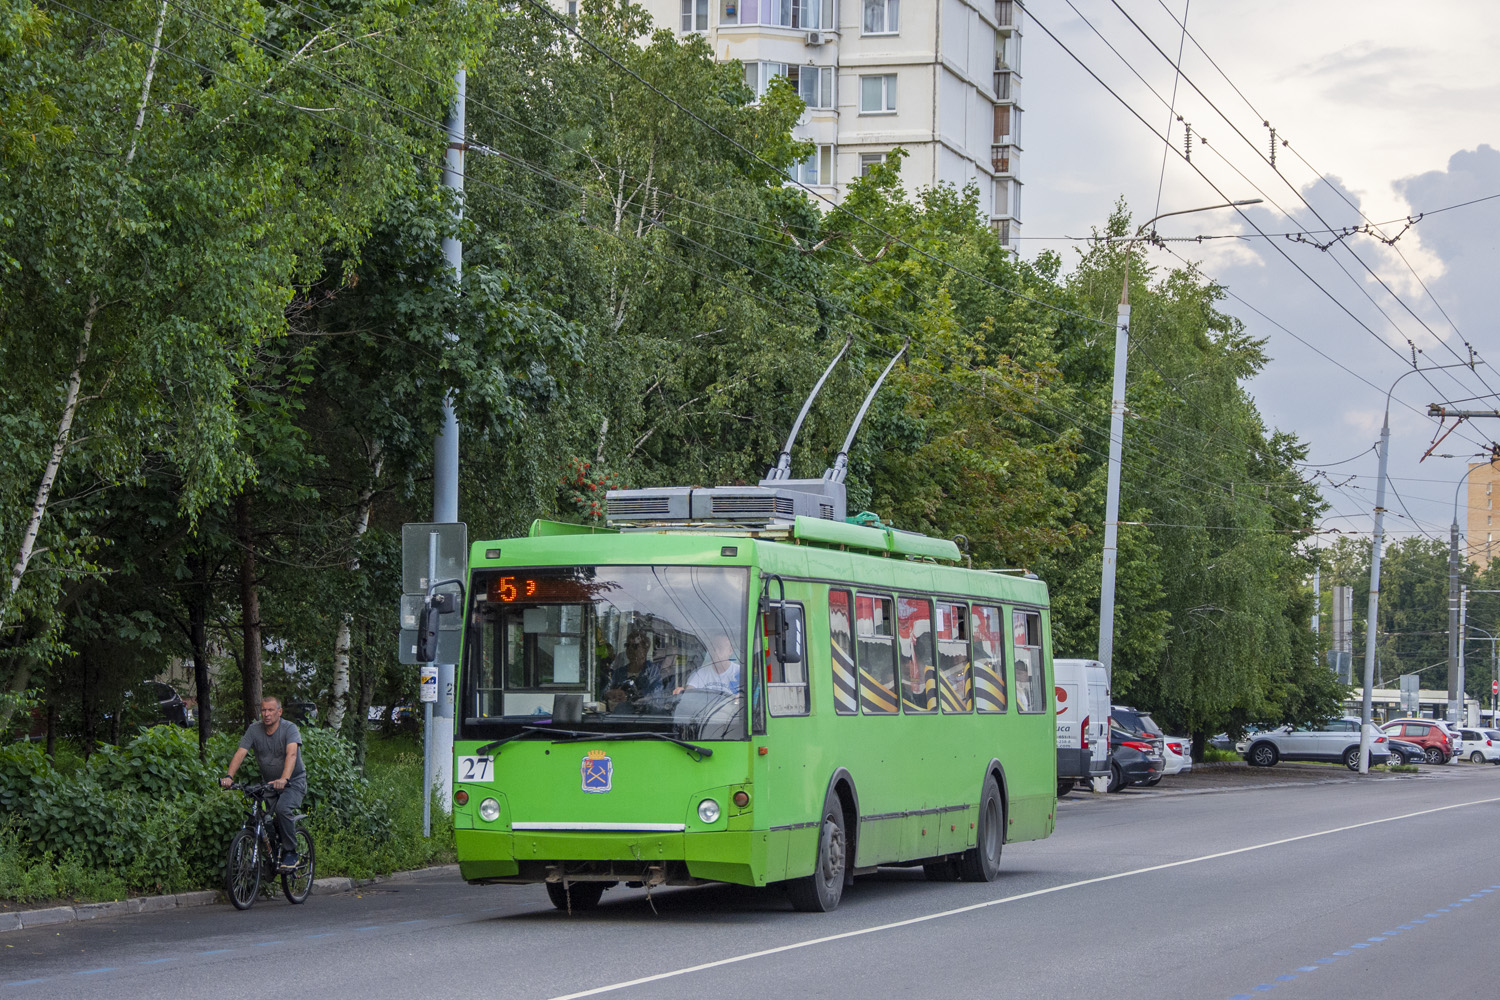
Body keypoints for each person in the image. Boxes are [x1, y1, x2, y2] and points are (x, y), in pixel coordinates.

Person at [221, 696, 307, 872]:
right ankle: (271, 854)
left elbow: (291, 755)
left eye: (270, 710)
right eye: (263, 710)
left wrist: (284, 779)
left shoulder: (289, 729)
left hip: (293, 782)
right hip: (268, 784)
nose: (266, 714)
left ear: (279, 712)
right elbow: (240, 753)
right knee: (262, 816)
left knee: (282, 810)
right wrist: (229, 776)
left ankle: (291, 852)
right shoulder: (254, 730)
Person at [604, 630, 669, 706]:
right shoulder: (619, 673)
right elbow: (605, 693)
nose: (630, 649)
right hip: (620, 715)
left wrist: (636, 697)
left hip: (644, 716)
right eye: (627, 645)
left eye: (635, 646)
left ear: (645, 649)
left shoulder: (652, 672)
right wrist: (611, 694)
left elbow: (656, 697)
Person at [676, 634, 741, 696]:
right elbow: (689, 692)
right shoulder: (700, 672)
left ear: (730, 651)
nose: (716, 651)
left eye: (720, 648)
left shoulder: (740, 673)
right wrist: (683, 692)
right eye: (713, 648)